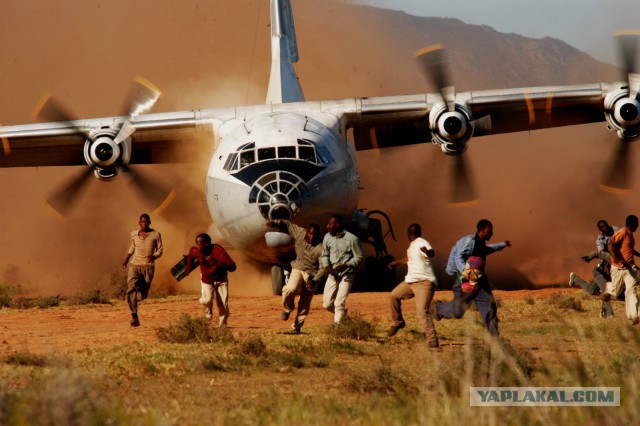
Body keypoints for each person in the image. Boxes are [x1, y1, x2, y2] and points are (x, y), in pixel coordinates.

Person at [435, 219, 511, 336]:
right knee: (458, 311)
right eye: (490, 230)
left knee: (489, 306)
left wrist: (503, 244)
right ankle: (438, 308)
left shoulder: (480, 242)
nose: (492, 233)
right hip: (466, 279)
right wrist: (467, 273)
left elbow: (487, 250)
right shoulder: (470, 242)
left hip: (479, 280)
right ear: (482, 231)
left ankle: (495, 340)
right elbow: (458, 257)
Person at [268, 220, 326, 334]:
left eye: (314, 235)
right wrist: (276, 223)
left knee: (305, 303)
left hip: (312, 273)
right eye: (309, 233)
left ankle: (296, 327)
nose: (311, 236)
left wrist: (314, 280)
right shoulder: (300, 233)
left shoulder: (321, 248)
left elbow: (323, 268)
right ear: (306, 232)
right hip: (298, 267)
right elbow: (289, 225)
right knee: (290, 289)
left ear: (318, 236)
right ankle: (287, 308)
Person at [387, 223, 439, 348]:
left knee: (422, 310)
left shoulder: (422, 242)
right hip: (410, 281)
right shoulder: (412, 246)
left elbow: (431, 252)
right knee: (394, 295)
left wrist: (428, 252)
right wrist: (397, 262)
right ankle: (398, 322)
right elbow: (409, 258)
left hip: (424, 282)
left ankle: (432, 340)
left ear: (408, 234)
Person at [184, 233, 236, 328]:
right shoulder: (196, 250)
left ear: (206, 244)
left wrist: (217, 262)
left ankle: (222, 326)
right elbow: (191, 254)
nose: (196, 246)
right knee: (207, 300)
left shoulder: (219, 252)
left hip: (221, 280)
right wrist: (187, 269)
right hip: (206, 279)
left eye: (198, 244)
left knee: (223, 304)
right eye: (196, 244)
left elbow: (233, 267)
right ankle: (208, 307)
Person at [121, 213, 163, 327]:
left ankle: (135, 299)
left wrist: (154, 256)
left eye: (146, 221)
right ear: (139, 223)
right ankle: (134, 315)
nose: (144, 223)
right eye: (142, 222)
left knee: (143, 293)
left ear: (149, 222)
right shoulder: (134, 234)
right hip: (134, 265)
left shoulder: (155, 234)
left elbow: (160, 250)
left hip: (148, 266)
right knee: (131, 289)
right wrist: (125, 260)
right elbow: (132, 248)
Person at [321, 214, 363, 325]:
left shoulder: (352, 239)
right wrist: (326, 266)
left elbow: (359, 257)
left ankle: (337, 327)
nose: (327, 226)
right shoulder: (327, 237)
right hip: (332, 275)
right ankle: (343, 317)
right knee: (326, 304)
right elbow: (324, 255)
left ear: (338, 225)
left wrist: (344, 265)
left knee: (339, 303)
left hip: (347, 274)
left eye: (330, 224)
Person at [602, 215, 640, 325]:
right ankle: (608, 288)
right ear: (631, 224)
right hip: (618, 268)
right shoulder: (622, 232)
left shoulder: (630, 234)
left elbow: (629, 249)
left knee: (631, 290)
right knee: (616, 291)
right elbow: (611, 246)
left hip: (630, 268)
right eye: (636, 223)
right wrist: (620, 260)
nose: (638, 226)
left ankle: (634, 316)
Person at [569, 220, 618, 296]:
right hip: (607, 264)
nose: (605, 228)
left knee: (593, 290)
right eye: (602, 227)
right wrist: (606, 264)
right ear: (600, 230)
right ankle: (575, 278)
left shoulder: (616, 230)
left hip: (617, 261)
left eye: (606, 225)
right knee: (593, 291)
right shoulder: (599, 241)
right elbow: (601, 254)